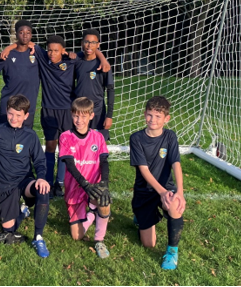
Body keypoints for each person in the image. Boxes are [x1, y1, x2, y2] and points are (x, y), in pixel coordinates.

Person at [1, 34, 109, 199]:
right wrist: (8, 48)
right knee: (50, 146)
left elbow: (90, 51)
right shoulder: (43, 58)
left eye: (56, 51)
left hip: (67, 111)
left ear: (63, 51)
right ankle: (49, 182)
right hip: (49, 110)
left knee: (65, 147)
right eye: (50, 50)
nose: (52, 53)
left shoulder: (73, 60)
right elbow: (25, 41)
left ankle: (60, 183)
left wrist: (103, 59)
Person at [0, 95, 51, 258]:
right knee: (8, 231)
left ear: (26, 116)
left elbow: (40, 160)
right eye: (11, 113)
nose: (14, 118)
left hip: (25, 181)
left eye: (19, 115)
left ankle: (38, 237)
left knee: (43, 190)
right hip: (5, 184)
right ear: (6, 111)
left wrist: (41, 177)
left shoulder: (30, 135)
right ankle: (22, 212)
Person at [129, 96, 186, 270]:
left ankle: (171, 252)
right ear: (144, 115)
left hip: (165, 188)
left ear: (166, 119)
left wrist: (180, 193)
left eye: (157, 116)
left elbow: (176, 163)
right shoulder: (136, 138)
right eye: (149, 115)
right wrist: (161, 192)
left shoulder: (170, 136)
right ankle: (141, 216)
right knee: (149, 244)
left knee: (174, 204)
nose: (152, 120)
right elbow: (144, 170)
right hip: (144, 191)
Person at [58, 97, 111, 259]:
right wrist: (85, 185)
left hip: (93, 187)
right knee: (77, 236)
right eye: (75, 116)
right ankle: (92, 214)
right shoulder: (65, 136)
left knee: (103, 200)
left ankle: (99, 239)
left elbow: (104, 162)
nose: (78, 120)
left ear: (91, 116)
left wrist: (104, 183)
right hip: (76, 188)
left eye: (83, 116)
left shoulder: (98, 137)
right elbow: (70, 165)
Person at [0, 20, 40, 128]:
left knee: (24, 140)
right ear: (17, 34)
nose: (25, 35)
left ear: (31, 34)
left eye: (28, 33)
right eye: (21, 32)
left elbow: (54, 55)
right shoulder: (7, 54)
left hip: (28, 106)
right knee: (5, 138)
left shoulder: (37, 54)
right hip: (9, 105)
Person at [73, 29, 115, 141]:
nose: (89, 45)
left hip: (97, 111)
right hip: (79, 110)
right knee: (79, 144)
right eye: (86, 42)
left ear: (98, 45)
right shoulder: (76, 61)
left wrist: (109, 115)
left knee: (97, 145)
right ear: (82, 43)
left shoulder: (103, 65)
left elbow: (110, 90)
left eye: (93, 43)